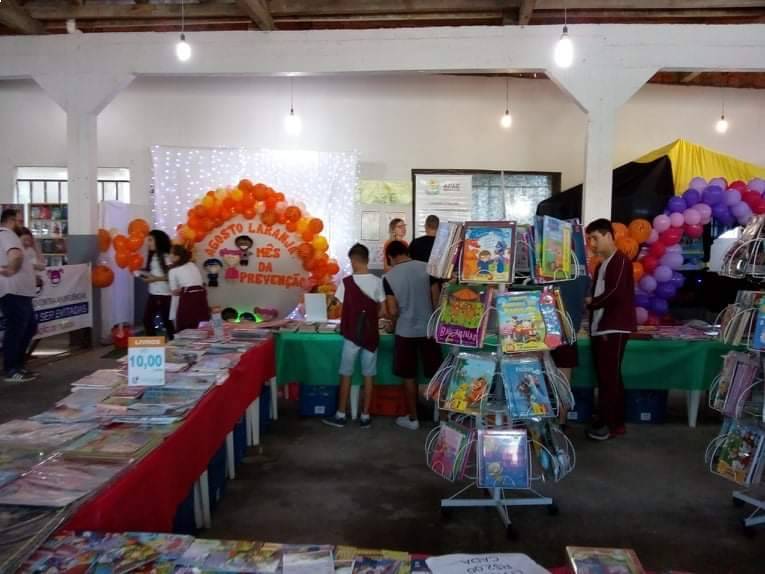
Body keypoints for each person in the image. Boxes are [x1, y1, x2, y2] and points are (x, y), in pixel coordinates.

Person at [323, 243, 386, 430]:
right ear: (367, 259)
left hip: (351, 335)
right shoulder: (378, 282)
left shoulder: (346, 282)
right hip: (371, 336)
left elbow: (341, 309)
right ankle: (365, 416)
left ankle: (341, 414)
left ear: (354, 261)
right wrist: (372, 319)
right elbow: (383, 310)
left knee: (346, 374)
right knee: (369, 375)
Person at [584, 218, 636, 441]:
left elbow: (614, 292)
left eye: (595, 238)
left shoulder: (620, 261)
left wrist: (591, 303)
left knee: (609, 378)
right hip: (601, 327)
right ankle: (610, 419)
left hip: (612, 327)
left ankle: (610, 424)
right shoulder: (604, 263)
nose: (592, 244)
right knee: (607, 376)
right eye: (589, 239)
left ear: (608, 235)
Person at [384, 240, 442, 430]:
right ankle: (440, 415)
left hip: (405, 332)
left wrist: (391, 325)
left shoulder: (389, 277)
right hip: (428, 330)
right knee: (436, 373)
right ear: (407, 252)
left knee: (408, 375)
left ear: (390, 257)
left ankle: (413, 419)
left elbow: (393, 310)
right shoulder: (427, 268)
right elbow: (436, 301)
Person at [0, 209, 38, 382]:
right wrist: (11, 269)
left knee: (29, 327)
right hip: (14, 291)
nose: (21, 225)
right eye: (19, 221)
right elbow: (15, 255)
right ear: (10, 220)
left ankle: (18, 364)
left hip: (20, 291)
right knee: (16, 330)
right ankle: (11, 368)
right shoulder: (7, 234)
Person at [168, 245, 210, 333]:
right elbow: (199, 283)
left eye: (170, 253)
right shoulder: (192, 265)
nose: (169, 255)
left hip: (185, 302)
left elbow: (174, 292)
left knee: (184, 329)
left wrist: (183, 289)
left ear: (177, 257)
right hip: (201, 301)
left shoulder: (173, 271)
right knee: (200, 328)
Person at [141, 230, 174, 338]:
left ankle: (173, 342)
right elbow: (155, 273)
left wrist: (154, 279)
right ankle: (155, 344)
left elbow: (171, 276)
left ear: (158, 241)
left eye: (150, 240)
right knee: (149, 320)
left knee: (164, 321)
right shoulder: (153, 256)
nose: (148, 243)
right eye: (148, 240)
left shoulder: (166, 256)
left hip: (163, 294)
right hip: (153, 293)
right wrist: (144, 275)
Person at [18, 227, 46, 294]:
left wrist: (36, 246)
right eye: (24, 240)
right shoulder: (16, 251)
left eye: (29, 240)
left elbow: (43, 266)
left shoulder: (31, 250)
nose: (27, 242)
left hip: (34, 284)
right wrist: (34, 266)